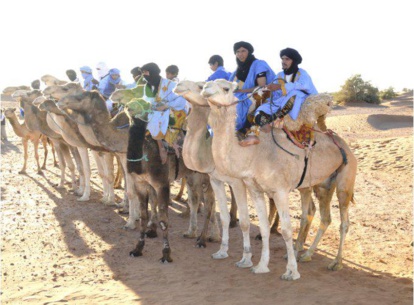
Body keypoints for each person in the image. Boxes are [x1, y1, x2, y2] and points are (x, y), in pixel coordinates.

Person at [243, 47, 319, 146]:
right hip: (281, 101)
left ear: (294, 61)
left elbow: (304, 85)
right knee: (260, 109)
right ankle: (254, 135)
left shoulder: (302, 73)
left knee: (294, 93)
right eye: (282, 59)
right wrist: (268, 90)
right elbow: (275, 93)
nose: (283, 61)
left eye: (287, 59)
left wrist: (280, 87)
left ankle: (273, 120)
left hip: (299, 100)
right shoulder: (279, 75)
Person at [229, 41, 275, 145]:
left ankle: (249, 131)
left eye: (243, 51)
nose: (240, 54)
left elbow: (262, 86)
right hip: (242, 95)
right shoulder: (238, 71)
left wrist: (241, 91)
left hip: (264, 94)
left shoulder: (258, 64)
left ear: (249, 52)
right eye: (238, 51)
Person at [141, 62, 188, 164]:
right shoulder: (148, 86)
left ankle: (162, 147)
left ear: (152, 72)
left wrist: (166, 106)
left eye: (146, 73)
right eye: (143, 73)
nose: (144, 76)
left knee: (154, 118)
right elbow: (147, 100)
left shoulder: (170, 85)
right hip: (156, 111)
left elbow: (181, 99)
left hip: (173, 109)